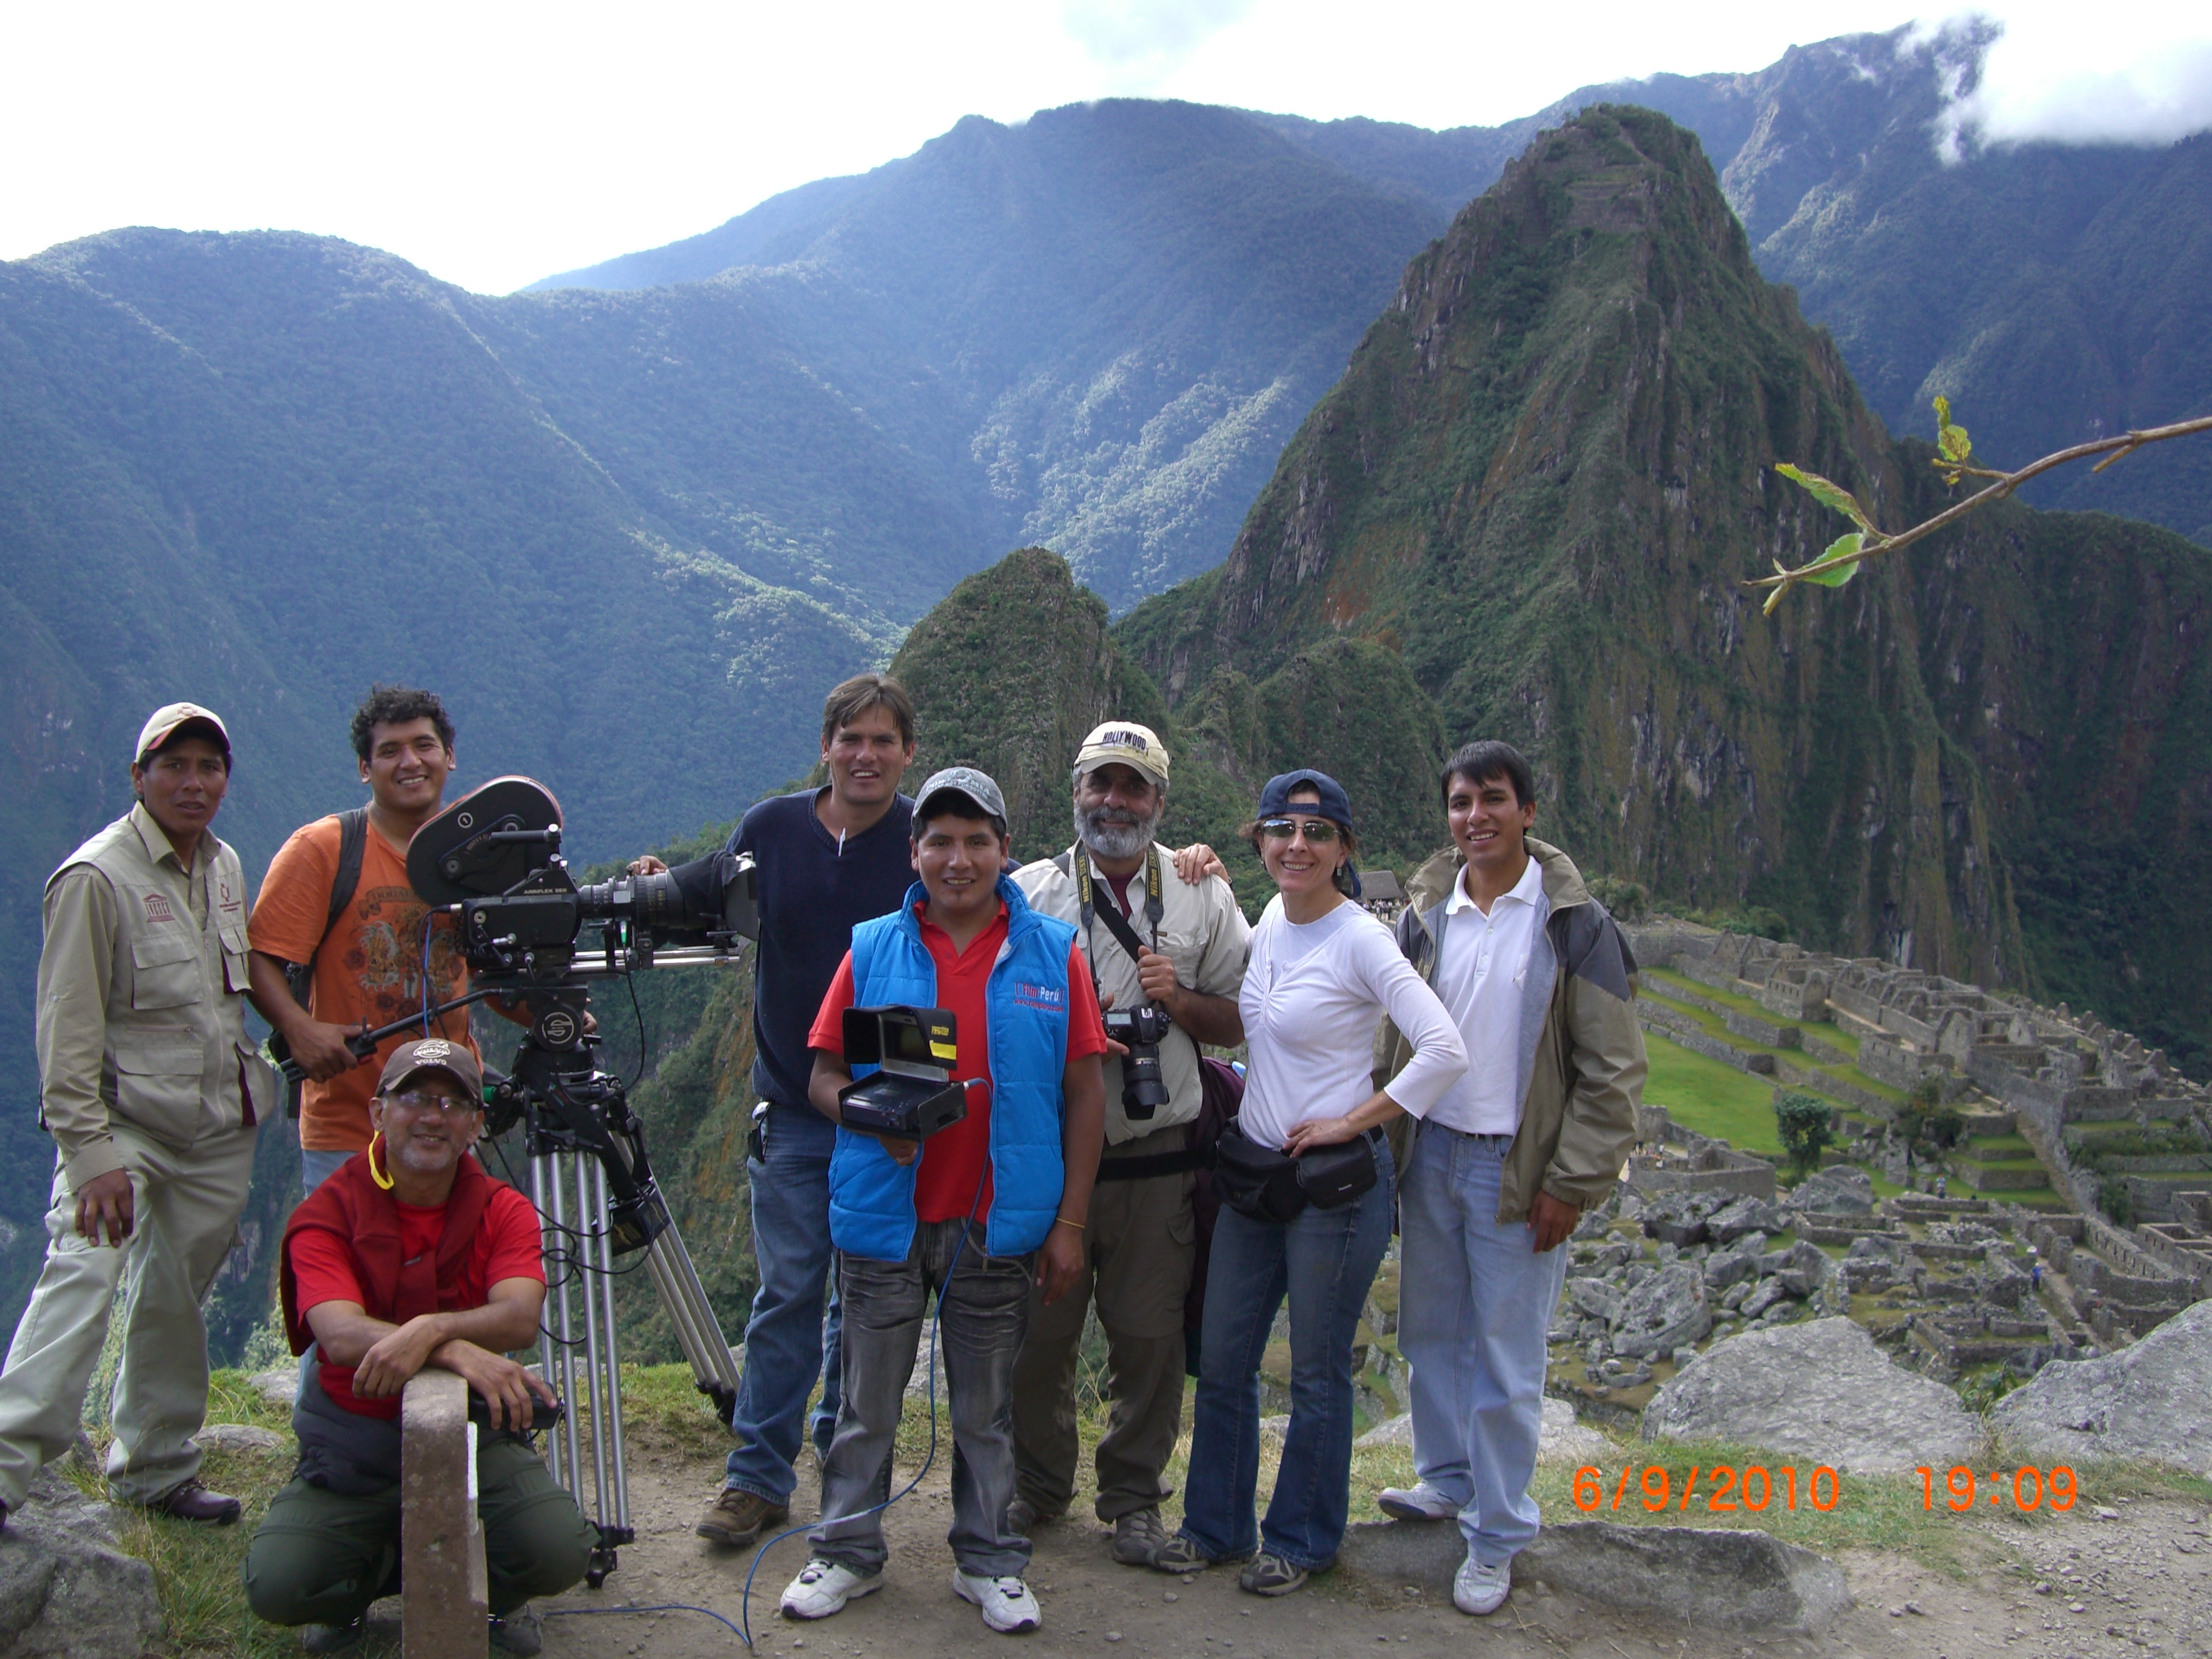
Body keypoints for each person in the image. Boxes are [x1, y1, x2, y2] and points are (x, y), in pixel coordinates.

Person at [779, 767, 1108, 1635]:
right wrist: (866, 1114)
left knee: (985, 1411)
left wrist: (1070, 1222)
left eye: (975, 842)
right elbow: (821, 1076)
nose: (956, 860)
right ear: (915, 850)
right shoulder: (874, 946)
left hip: (996, 1222)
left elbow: (1085, 1094)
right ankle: (847, 1550)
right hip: (884, 1213)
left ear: (1004, 850)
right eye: (938, 841)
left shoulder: (1052, 953)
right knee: (865, 1403)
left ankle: (990, 1560)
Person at [629, 673, 920, 1549]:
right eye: (850, 739)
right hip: (794, 1105)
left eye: (882, 742)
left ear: (909, 753)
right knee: (790, 1291)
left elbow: (1006, 895)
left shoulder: (922, 837)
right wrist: (649, 881)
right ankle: (758, 1477)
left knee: (864, 1297)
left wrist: (1184, 864)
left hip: (886, 1108)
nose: (864, 756)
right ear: (826, 745)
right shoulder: (771, 830)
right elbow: (703, 885)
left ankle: (844, 1461)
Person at [1162, 771, 1466, 1595]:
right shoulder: (1270, 916)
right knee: (1224, 1357)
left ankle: (1300, 1540)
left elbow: (1443, 1050)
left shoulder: (1361, 940)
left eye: (1317, 832)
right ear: (1261, 842)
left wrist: (1355, 1119)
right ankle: (1216, 1528)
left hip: (1334, 1186)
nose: (1297, 845)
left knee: (1319, 1372)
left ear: (1344, 850)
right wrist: (1208, 872)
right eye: (1280, 830)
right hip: (1257, 1173)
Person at [1372, 740, 1643, 1617]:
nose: (1475, 817)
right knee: (1431, 1334)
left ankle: (1497, 1533)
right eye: (1460, 803)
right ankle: (1447, 1482)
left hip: (1516, 1166)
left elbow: (1611, 1073)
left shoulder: (1574, 926)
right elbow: (1391, 1042)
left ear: (1528, 811)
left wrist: (1575, 1180)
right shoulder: (1427, 914)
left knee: (1507, 1355)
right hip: (1434, 1154)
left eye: (1492, 799)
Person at [0, 703, 267, 1526]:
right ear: (139, 776)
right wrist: (88, 1154)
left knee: (175, 1294)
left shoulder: (223, 867)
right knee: (82, 1273)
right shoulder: (96, 879)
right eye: (174, 766)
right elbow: (66, 1030)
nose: (194, 783)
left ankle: (155, 1466)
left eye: (208, 767)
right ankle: (9, 1463)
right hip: (124, 1123)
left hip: (217, 1123)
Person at [243, 1039, 595, 1654]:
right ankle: (361, 1591)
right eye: (413, 1098)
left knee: (559, 1550)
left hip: (475, 1435)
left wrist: (431, 1330)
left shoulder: (502, 1208)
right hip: (356, 1443)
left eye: (453, 1102)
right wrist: (456, 1349)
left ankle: (489, 1597)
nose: (433, 1116)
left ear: (475, 1125)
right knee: (279, 1583)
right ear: (378, 1112)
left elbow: (517, 1318)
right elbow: (340, 1332)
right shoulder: (328, 1211)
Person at [1008, 720, 1249, 1565]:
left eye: (1132, 786)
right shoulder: (1028, 892)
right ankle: (1038, 1487)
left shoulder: (1199, 895)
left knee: (1149, 1341)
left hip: (1158, 1159)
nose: (1114, 801)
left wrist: (1175, 1000)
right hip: (1049, 1164)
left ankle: (1134, 1499)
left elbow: (1240, 1017)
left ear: (1158, 801)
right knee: (1039, 1340)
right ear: (1075, 789)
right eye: (1099, 783)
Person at [248, 685, 483, 1195]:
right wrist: (298, 1028)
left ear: (449, 756)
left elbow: (494, 976)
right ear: (364, 768)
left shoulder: (478, 855)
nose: (410, 762)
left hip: (452, 1123)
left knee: (447, 1274)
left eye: (424, 745)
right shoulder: (324, 849)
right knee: (348, 1272)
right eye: (389, 751)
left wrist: (563, 1017)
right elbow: (258, 959)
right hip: (350, 1132)